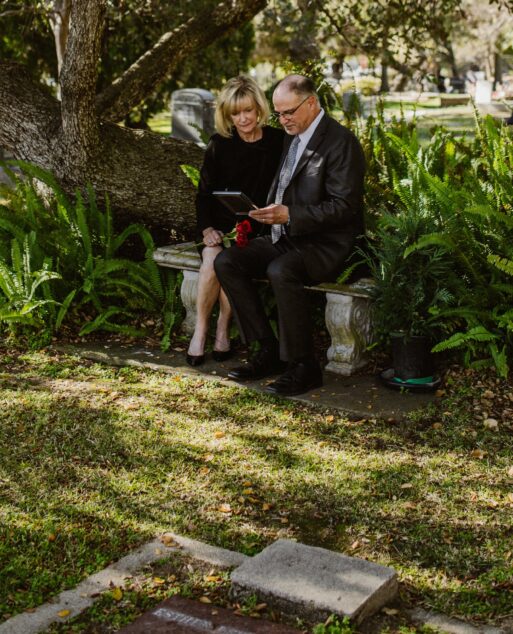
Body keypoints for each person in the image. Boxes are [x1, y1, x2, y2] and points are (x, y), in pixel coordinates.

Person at [214, 74, 365, 396]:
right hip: (286, 235)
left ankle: (304, 366)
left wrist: (291, 215)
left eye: (288, 113)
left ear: (311, 103)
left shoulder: (341, 142)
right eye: (279, 113)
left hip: (328, 244)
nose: (282, 120)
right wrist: (266, 212)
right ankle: (266, 350)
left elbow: (345, 208)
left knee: (281, 270)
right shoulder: (292, 136)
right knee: (228, 261)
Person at [186, 76, 284, 366]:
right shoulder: (220, 144)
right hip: (218, 227)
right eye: (235, 113)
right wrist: (206, 230)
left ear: (259, 109)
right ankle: (202, 331)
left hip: (260, 229)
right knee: (212, 259)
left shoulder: (278, 142)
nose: (243, 119)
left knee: (231, 262)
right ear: (227, 115)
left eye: (248, 111)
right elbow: (203, 194)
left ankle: (222, 330)